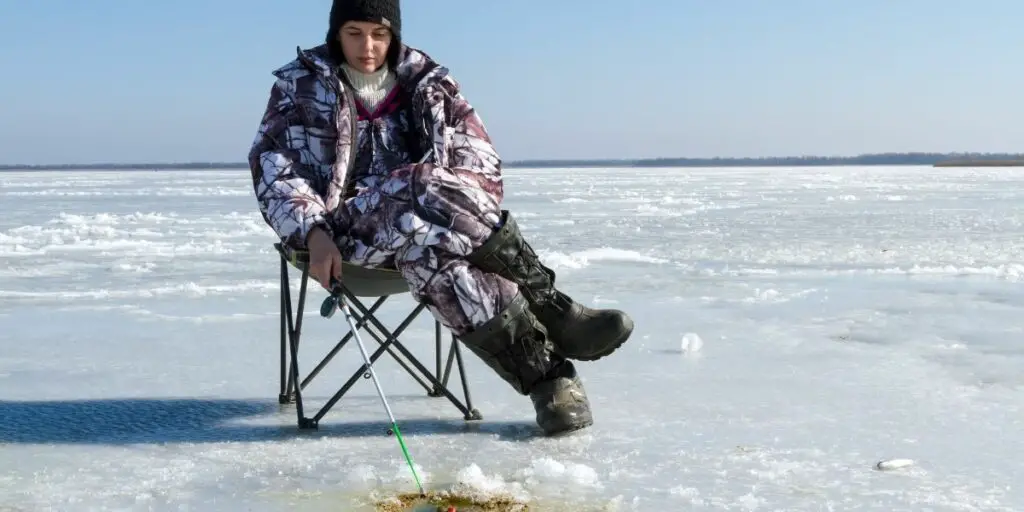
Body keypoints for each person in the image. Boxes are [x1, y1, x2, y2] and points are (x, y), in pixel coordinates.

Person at [247, 0, 634, 436]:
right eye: (354, 33)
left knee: (437, 260)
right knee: (420, 183)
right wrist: (313, 232)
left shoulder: (432, 85)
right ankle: (552, 305)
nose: (367, 46)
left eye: (379, 33)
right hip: (342, 237)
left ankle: (550, 383)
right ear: (336, 33)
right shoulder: (298, 87)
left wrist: (448, 208)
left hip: (430, 235)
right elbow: (274, 166)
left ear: (395, 35)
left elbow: (481, 164)